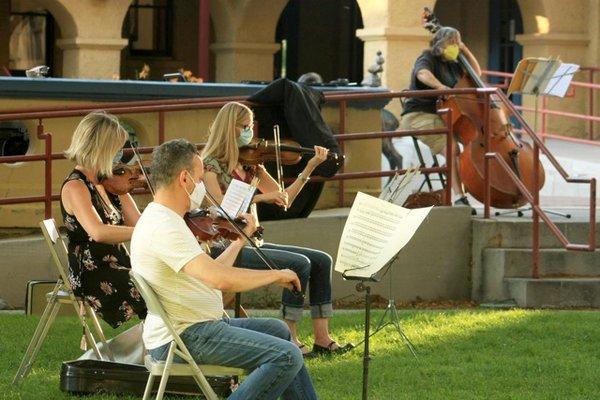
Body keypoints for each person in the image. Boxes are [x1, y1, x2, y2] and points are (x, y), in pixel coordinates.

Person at [130, 139, 318, 400]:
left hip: (198, 326)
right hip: (186, 337)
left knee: (281, 332)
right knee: (287, 355)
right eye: (199, 179)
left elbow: (210, 271)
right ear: (184, 179)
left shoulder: (165, 218)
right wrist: (276, 275)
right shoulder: (164, 226)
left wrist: (240, 241)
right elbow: (220, 280)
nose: (201, 187)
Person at [202, 101, 352, 356]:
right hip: (226, 245)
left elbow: (284, 199)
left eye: (251, 126)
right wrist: (258, 198)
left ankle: (322, 338)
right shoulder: (210, 166)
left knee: (322, 260)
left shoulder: (252, 164)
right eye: (245, 127)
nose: (251, 133)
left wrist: (310, 166)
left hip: (253, 241)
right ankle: (289, 337)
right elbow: (220, 210)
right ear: (230, 129)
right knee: (299, 264)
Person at [61, 111, 147, 328]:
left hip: (117, 262)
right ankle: (161, 348)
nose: (121, 155)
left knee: (164, 281)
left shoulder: (110, 182)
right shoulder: (76, 186)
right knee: (155, 289)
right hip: (93, 270)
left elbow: (137, 221)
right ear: (100, 148)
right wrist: (148, 231)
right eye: (116, 149)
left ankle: (161, 346)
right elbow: (98, 232)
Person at [400, 26, 482, 206]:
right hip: (420, 114)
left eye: (457, 43)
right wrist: (439, 86)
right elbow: (422, 74)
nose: (455, 46)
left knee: (463, 148)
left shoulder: (453, 64)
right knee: (452, 148)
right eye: (452, 42)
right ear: (441, 43)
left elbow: (476, 73)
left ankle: (466, 187)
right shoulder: (428, 57)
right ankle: (460, 197)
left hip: (445, 116)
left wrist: (464, 49)